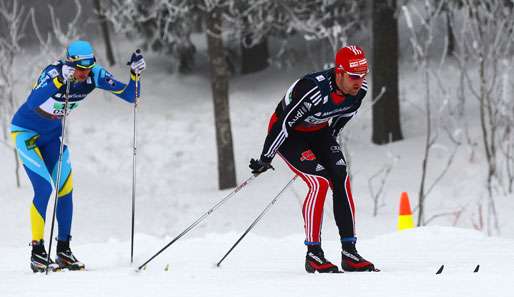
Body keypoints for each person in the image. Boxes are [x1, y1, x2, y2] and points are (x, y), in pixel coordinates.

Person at [10, 40, 146, 272]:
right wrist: (59, 80)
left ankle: (63, 250)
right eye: (80, 69)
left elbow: (130, 96)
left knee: (66, 188)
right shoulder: (54, 72)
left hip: (52, 137)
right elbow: (33, 102)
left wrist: (135, 76)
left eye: (88, 67)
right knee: (43, 189)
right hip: (26, 133)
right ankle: (37, 252)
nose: (85, 73)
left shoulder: (94, 74)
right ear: (70, 63)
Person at [249, 45, 376, 273]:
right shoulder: (314, 90)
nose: (359, 81)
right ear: (339, 73)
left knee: (340, 177)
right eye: (354, 76)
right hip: (290, 135)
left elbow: (339, 120)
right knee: (319, 182)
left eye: (363, 75)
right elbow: (285, 123)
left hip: (319, 132)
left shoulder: (360, 91)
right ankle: (313, 254)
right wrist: (266, 158)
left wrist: (328, 147)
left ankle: (349, 252)